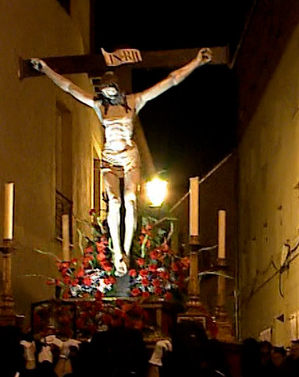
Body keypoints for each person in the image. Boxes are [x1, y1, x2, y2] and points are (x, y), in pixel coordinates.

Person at [30, 48, 212, 274]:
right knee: (114, 202)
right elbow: (70, 88)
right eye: (104, 91)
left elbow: (170, 82)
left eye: (110, 90)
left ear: (116, 88)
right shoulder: (100, 106)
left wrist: (196, 63)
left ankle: (126, 250)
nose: (107, 94)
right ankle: (117, 252)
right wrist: (46, 69)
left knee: (131, 200)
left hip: (128, 156)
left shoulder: (134, 101)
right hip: (109, 157)